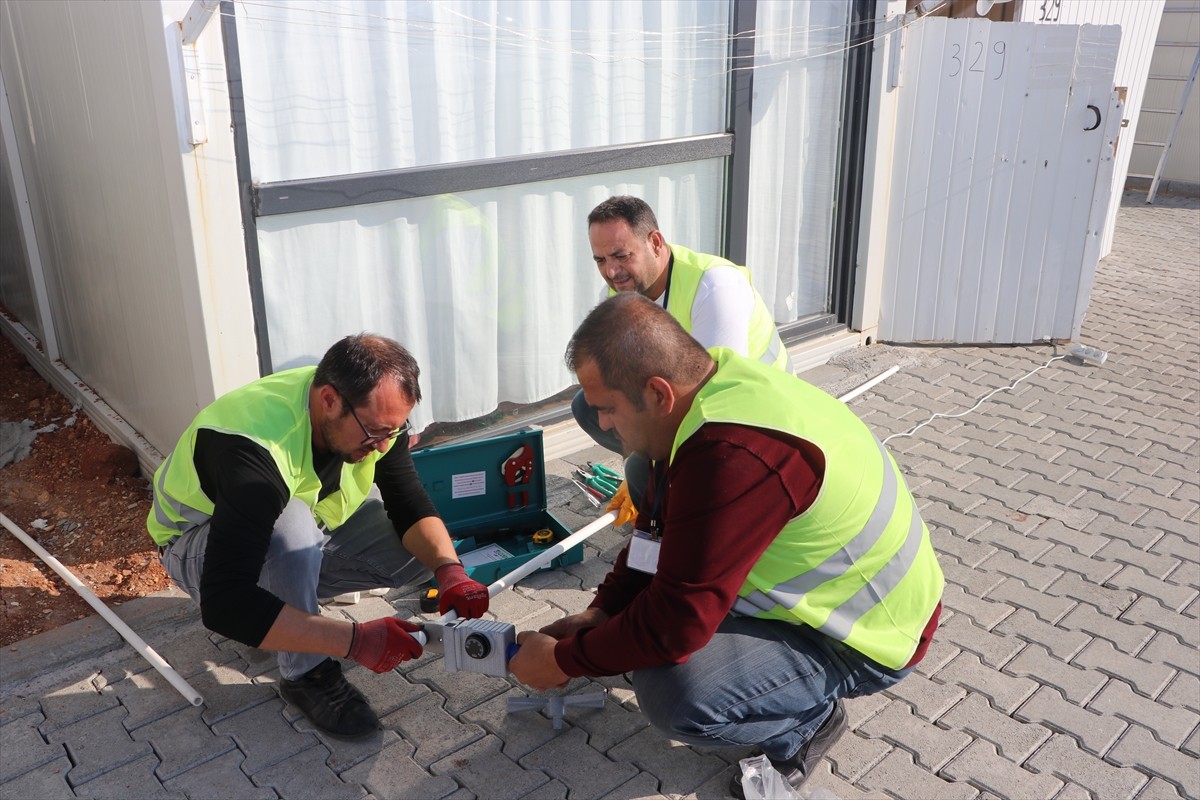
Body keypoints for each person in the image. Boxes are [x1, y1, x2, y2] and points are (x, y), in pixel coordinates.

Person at [510, 295, 944, 799]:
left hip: (868, 635)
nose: (601, 425)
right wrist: (601, 611)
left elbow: (674, 626)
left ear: (657, 393)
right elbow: (657, 538)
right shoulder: (707, 393)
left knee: (676, 695)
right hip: (820, 597)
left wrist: (564, 661)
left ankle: (806, 723)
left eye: (607, 409)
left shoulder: (732, 457)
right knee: (629, 634)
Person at [146, 334, 489, 738]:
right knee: (289, 531)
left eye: (392, 432)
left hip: (293, 529)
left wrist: (450, 571)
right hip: (198, 549)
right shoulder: (254, 455)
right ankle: (304, 674)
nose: (382, 445)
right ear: (329, 400)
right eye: (375, 432)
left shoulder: (372, 417)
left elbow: (407, 500)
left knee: (418, 554)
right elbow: (223, 604)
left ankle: (284, 609)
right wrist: (354, 640)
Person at [573, 195, 789, 457]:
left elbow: (714, 396)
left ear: (654, 242)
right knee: (591, 406)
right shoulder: (617, 292)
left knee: (651, 472)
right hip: (687, 401)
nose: (611, 272)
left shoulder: (715, 286)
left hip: (763, 414)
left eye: (621, 255)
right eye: (601, 260)